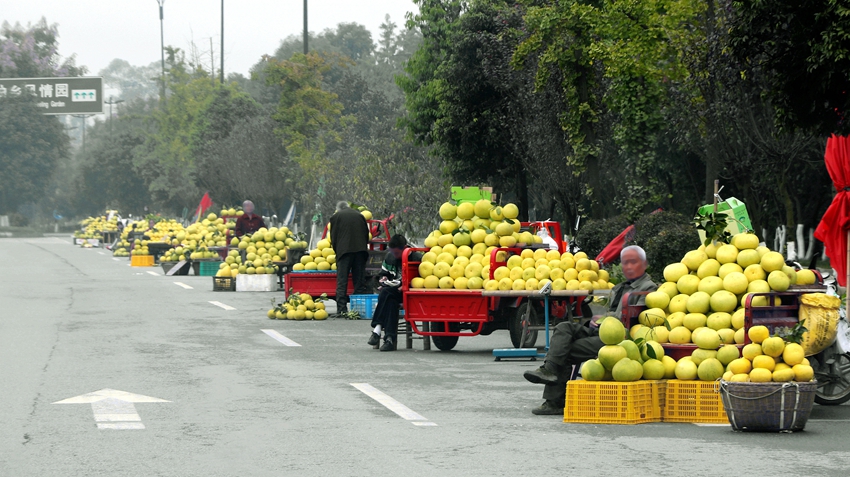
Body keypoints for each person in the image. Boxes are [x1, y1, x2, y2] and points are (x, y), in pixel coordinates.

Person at [523, 245, 658, 416]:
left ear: (644, 264)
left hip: (620, 339)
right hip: (604, 331)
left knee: (563, 349)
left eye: (633, 262)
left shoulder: (649, 288)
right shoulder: (618, 288)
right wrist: (599, 320)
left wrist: (608, 322)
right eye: (625, 263)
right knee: (564, 327)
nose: (628, 267)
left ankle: (555, 400)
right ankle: (548, 370)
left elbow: (635, 318)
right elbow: (611, 313)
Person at [367, 235, 422, 351]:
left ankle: (377, 329)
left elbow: (422, 279)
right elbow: (383, 273)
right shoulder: (389, 257)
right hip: (393, 292)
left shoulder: (416, 257)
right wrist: (383, 279)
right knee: (390, 301)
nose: (394, 255)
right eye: (392, 252)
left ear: (405, 248)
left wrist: (406, 286)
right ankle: (389, 339)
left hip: (409, 294)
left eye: (397, 253)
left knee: (386, 293)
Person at [329, 201, 370, 315]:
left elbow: (334, 236)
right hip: (360, 251)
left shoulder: (336, 217)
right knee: (359, 281)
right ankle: (359, 309)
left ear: (339, 209)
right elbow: (366, 233)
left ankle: (342, 309)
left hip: (344, 252)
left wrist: (338, 251)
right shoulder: (359, 215)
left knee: (342, 281)